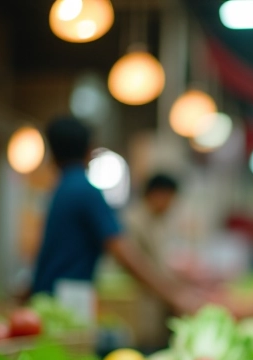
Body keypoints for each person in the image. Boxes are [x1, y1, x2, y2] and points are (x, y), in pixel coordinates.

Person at [30, 116, 199, 317]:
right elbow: (122, 251)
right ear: (90, 150)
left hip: (45, 297)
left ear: (51, 154)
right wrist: (172, 295)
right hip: (69, 301)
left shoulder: (60, 190)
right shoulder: (86, 191)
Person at [123, 173, 185, 351]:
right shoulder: (134, 222)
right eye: (170, 199)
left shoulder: (155, 222)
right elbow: (138, 267)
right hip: (139, 307)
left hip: (155, 302)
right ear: (157, 195)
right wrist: (173, 295)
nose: (170, 206)